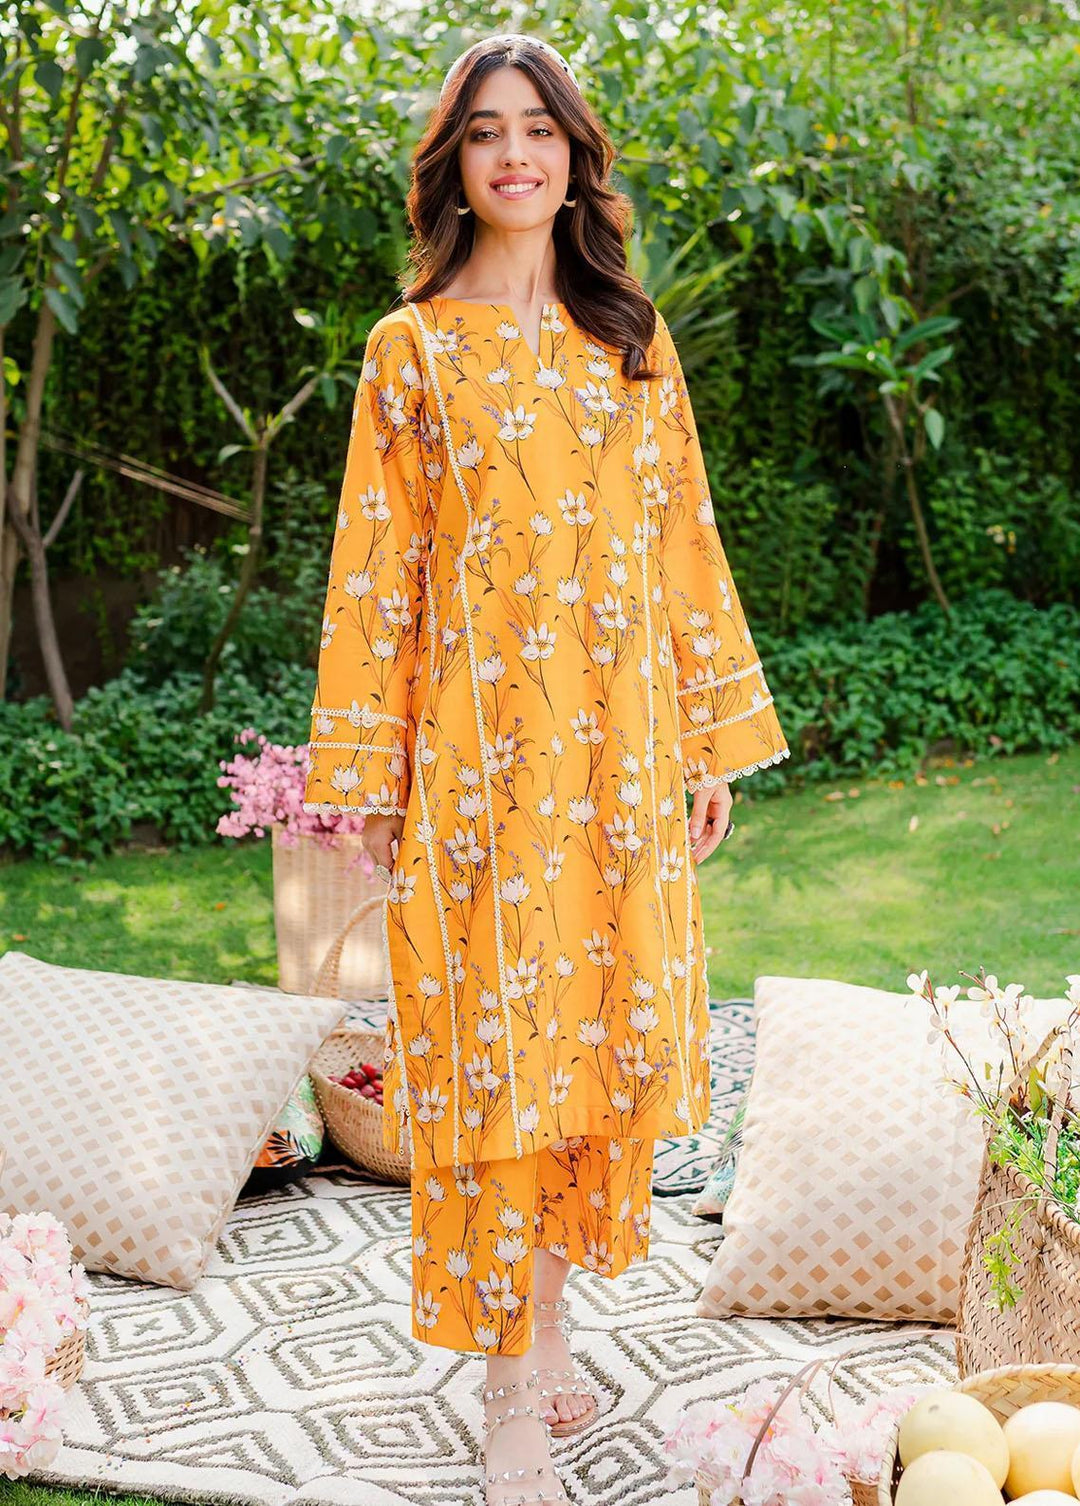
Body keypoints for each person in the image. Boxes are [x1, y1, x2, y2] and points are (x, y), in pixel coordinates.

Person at [304, 31, 791, 1506]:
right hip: (476, 774)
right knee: (493, 1065)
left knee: (592, 1055)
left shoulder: (632, 341)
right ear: (454, 165)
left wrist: (705, 738)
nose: (514, 154)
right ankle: (507, 1388)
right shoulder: (410, 353)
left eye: (539, 130)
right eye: (485, 132)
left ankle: (552, 1320)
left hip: (621, 765)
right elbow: (375, 576)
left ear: (575, 158)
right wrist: (368, 773)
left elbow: (684, 544)